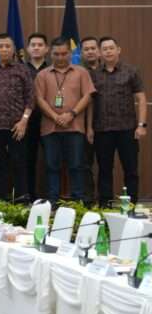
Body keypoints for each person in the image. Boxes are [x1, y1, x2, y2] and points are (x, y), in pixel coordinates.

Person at [35, 37, 95, 202]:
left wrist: (71, 114)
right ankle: (52, 201)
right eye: (56, 54)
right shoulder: (42, 75)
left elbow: (88, 96)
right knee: (51, 166)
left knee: (76, 165)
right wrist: (55, 117)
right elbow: (39, 99)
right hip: (50, 128)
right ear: (50, 53)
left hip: (75, 126)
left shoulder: (81, 72)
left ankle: (78, 201)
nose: (60, 57)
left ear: (70, 53)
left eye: (64, 54)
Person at [90, 36, 146, 205]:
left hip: (127, 129)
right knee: (104, 170)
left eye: (111, 48)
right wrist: (89, 127)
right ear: (100, 53)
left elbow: (141, 99)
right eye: (104, 49)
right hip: (102, 129)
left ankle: (131, 205)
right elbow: (90, 103)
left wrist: (142, 125)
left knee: (131, 170)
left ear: (118, 50)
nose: (108, 51)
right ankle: (105, 205)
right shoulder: (93, 75)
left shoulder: (131, 71)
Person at [0, 34, 34, 201]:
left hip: (17, 127)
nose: (4, 49)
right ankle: (0, 202)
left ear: (13, 49)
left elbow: (30, 98)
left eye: (7, 46)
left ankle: (21, 202)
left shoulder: (23, 70)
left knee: (19, 165)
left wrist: (24, 121)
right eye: (0, 46)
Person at [22, 33, 50, 201]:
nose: (36, 48)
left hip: (50, 120)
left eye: (40, 45)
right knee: (28, 161)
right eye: (33, 45)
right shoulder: (21, 69)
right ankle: (30, 197)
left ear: (46, 49)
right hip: (27, 121)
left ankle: (52, 198)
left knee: (52, 162)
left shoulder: (52, 68)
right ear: (28, 49)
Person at [80, 36, 101, 203]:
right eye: (86, 49)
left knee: (105, 165)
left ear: (99, 51)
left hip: (108, 125)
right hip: (84, 126)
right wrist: (88, 127)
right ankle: (88, 200)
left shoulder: (107, 70)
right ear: (81, 53)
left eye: (93, 48)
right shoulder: (78, 72)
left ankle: (104, 200)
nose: (90, 52)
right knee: (85, 164)